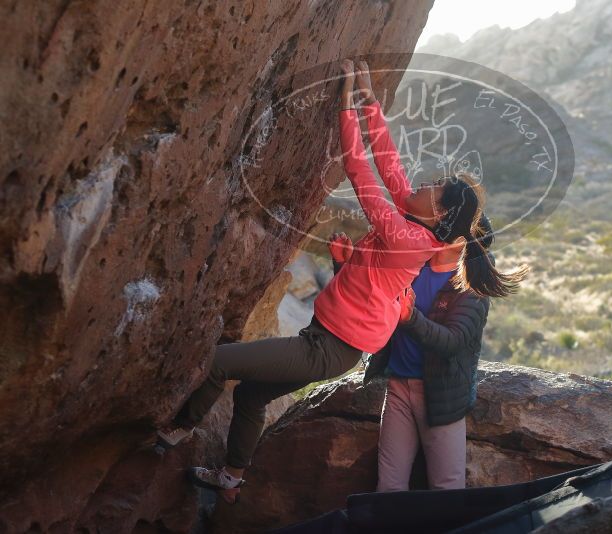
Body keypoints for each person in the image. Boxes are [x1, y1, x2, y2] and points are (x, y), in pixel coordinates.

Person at [155, 60, 508, 503]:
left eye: (433, 188)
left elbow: (361, 171)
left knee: (218, 362)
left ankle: (174, 432)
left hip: (327, 348)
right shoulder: (414, 220)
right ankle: (230, 479)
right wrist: (368, 100)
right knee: (250, 397)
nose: (423, 183)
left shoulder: (405, 235)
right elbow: (388, 162)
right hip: (327, 338)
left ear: (437, 214)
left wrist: (344, 107)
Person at [329, 214, 523, 491]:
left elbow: (453, 342)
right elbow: (369, 303)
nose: (431, 226)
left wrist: (410, 318)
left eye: (443, 224)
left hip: (441, 397)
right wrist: (344, 266)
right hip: (397, 388)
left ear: (460, 241)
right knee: (388, 486)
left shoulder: (471, 286)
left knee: (447, 490)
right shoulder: (412, 265)